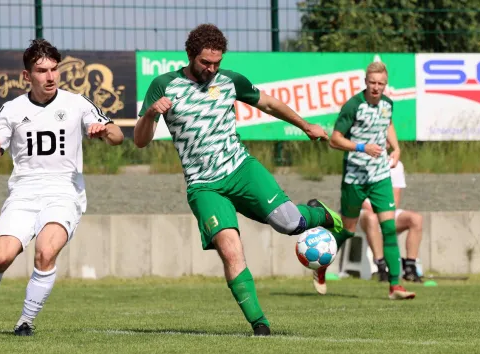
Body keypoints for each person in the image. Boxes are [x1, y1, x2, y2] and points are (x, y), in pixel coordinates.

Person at [134, 23, 343, 336]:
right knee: (231, 250)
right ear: (190, 55)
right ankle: (260, 325)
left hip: (241, 169)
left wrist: (305, 125)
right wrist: (151, 114)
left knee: (290, 224)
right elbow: (139, 141)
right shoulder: (163, 84)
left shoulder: (230, 81)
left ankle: (319, 213)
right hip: (204, 186)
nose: (212, 68)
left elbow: (269, 103)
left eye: (217, 62)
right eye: (206, 62)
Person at [0, 39, 124, 337]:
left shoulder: (77, 103)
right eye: (42, 71)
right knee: (1, 258)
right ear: (27, 76)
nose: (51, 76)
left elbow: (118, 135)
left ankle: (25, 321)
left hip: (64, 193)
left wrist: (104, 130)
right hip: (24, 193)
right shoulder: (12, 110)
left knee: (45, 251)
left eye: (54, 69)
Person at [313, 61, 415, 300]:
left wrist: (397, 148)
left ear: (386, 84)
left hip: (379, 176)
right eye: (373, 83)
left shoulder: (388, 104)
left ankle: (395, 286)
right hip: (355, 177)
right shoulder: (353, 106)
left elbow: (387, 125)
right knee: (347, 230)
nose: (377, 88)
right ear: (365, 82)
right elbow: (335, 140)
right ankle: (320, 267)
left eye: (381, 84)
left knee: (388, 228)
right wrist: (361, 147)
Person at [360, 160, 423, 283]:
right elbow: (357, 196)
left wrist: (385, 214)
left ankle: (410, 267)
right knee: (372, 218)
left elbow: (395, 198)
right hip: (364, 213)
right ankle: (381, 268)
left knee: (416, 219)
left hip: (386, 211)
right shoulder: (359, 160)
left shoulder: (395, 164)